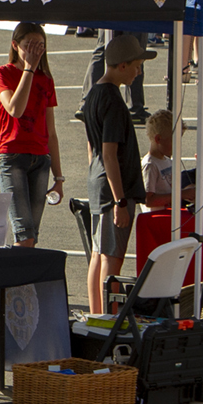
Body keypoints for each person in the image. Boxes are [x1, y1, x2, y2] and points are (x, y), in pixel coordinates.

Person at [80, 34, 150, 315]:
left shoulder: (94, 93)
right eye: (136, 65)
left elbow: (92, 148)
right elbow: (109, 154)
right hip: (113, 190)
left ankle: (97, 315)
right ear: (122, 66)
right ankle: (106, 318)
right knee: (111, 257)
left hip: (99, 183)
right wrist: (120, 201)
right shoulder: (113, 101)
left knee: (98, 254)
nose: (139, 71)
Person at [0, 22, 64, 249]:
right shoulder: (2, 73)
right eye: (29, 46)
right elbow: (15, 109)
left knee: (32, 233)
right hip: (12, 154)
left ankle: (22, 284)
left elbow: (51, 131)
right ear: (15, 45)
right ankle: (19, 285)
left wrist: (59, 178)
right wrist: (29, 70)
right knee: (24, 232)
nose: (34, 52)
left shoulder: (46, 79)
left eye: (40, 46)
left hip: (40, 157)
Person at [141, 109, 175, 208]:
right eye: (174, 140)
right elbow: (148, 201)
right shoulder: (150, 164)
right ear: (158, 139)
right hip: (155, 220)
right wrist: (181, 195)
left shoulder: (168, 161)